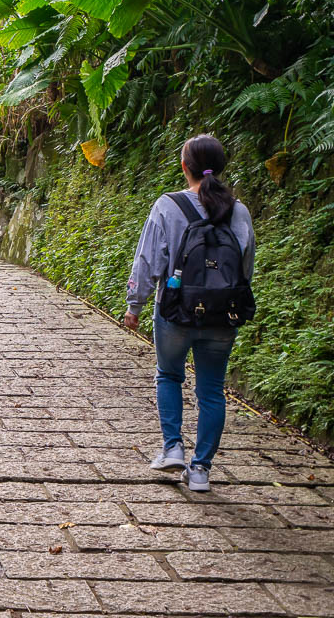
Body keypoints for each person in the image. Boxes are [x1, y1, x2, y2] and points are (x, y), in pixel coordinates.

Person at [123, 134, 255, 492]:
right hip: (221, 317)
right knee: (212, 390)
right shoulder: (238, 211)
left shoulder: (167, 206)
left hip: (175, 312)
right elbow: (245, 268)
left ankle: (172, 449)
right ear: (221, 166)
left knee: (168, 375)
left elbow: (149, 260)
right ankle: (201, 470)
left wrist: (134, 305)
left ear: (185, 167)